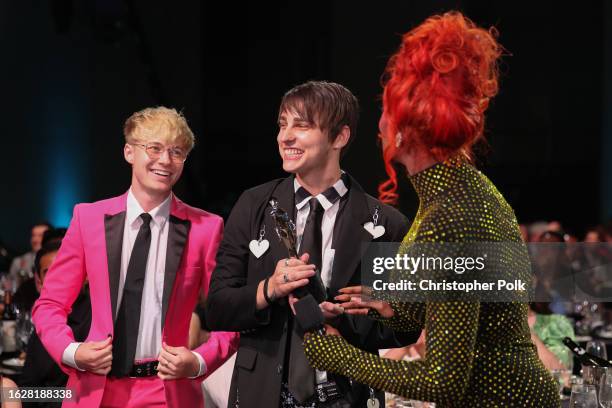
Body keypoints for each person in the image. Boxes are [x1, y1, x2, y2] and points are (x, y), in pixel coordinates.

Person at [302, 12, 560, 407]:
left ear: (405, 129)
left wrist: (339, 357)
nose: (381, 121)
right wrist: (397, 310)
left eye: (387, 110)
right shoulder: (463, 191)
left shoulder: (450, 215)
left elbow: (443, 380)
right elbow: (476, 310)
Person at [206, 81, 419, 408]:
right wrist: (269, 288)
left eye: (301, 125)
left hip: (346, 395)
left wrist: (341, 320)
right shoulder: (254, 205)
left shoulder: (385, 223)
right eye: (282, 125)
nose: (285, 136)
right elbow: (219, 308)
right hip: (263, 394)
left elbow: (401, 331)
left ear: (339, 137)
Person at [32, 107, 238, 408]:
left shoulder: (206, 228)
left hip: (167, 393)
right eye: (154, 148)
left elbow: (232, 316)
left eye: (177, 152)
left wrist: (198, 361)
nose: (165, 160)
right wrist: (72, 352)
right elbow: (50, 304)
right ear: (129, 152)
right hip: (94, 390)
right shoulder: (88, 219)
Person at [20, 239, 91, 408]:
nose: (59, 279)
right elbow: (27, 388)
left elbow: (89, 392)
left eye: (66, 271)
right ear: (39, 282)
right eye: (50, 272)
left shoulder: (99, 317)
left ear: (86, 275)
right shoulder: (43, 323)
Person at [8, 222, 51, 289]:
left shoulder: (57, 260)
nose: (35, 239)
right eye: (33, 235)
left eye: (40, 235)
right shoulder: (18, 262)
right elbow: (11, 288)